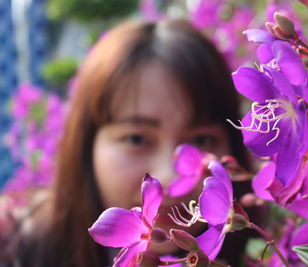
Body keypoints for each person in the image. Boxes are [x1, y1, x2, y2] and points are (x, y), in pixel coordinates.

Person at [6, 19, 254, 267]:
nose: (167, 177)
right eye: (136, 139)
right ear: (87, 143)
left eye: (201, 139)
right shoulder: (10, 247)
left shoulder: (260, 247)